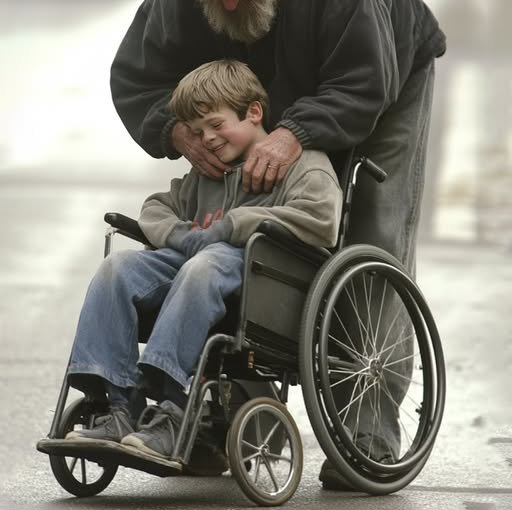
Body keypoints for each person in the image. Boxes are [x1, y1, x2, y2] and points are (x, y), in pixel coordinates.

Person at [109, 0, 447, 488]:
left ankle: (367, 431)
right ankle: (230, 423)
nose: (231, 2)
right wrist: (177, 128)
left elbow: (365, 80)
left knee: (369, 235)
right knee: (244, 243)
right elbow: (136, 77)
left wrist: (296, 132)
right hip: (257, 104)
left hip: (383, 82)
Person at [64, 59, 342, 474]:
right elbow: (157, 206)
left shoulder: (303, 163)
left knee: (208, 262)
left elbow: (322, 219)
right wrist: (179, 234)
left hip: (262, 285)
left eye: (215, 125)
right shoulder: (206, 174)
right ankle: (116, 405)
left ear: (253, 113)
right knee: (117, 268)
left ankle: (173, 408)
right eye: (196, 132)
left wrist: (235, 224)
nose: (206, 140)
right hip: (194, 273)